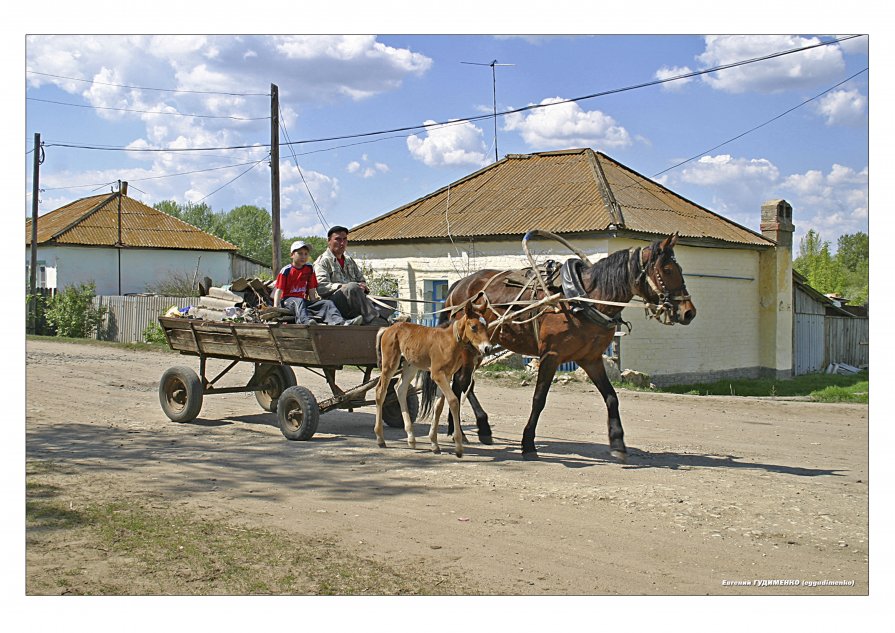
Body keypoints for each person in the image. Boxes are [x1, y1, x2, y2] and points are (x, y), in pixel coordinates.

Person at [314, 225, 396, 325]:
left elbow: (361, 280)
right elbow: (322, 287)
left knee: (388, 300)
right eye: (338, 239)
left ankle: (373, 317)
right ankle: (375, 319)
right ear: (329, 241)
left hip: (356, 302)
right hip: (334, 305)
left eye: (344, 239)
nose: (342, 243)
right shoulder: (322, 261)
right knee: (352, 287)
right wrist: (343, 286)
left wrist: (363, 286)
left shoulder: (349, 261)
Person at [272, 241, 362, 326]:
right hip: (287, 301)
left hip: (302, 302)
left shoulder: (309, 268)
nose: (303, 256)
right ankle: (304, 321)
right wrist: (276, 307)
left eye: (306, 254)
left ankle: (340, 322)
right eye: (300, 253)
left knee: (327, 303)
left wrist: (314, 302)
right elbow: (279, 290)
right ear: (292, 255)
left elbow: (311, 288)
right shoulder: (286, 270)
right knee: (298, 301)